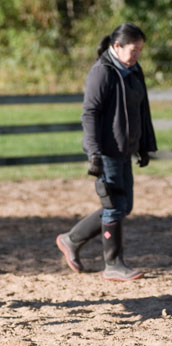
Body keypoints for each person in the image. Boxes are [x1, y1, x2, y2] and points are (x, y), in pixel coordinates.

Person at [56, 23, 156, 281]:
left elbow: (141, 110)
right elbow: (89, 113)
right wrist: (93, 152)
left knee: (124, 206)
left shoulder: (133, 71)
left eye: (140, 51)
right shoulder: (102, 72)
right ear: (117, 47)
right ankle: (113, 264)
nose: (137, 56)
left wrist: (144, 145)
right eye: (133, 50)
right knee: (114, 205)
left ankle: (71, 239)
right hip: (107, 150)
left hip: (126, 149)